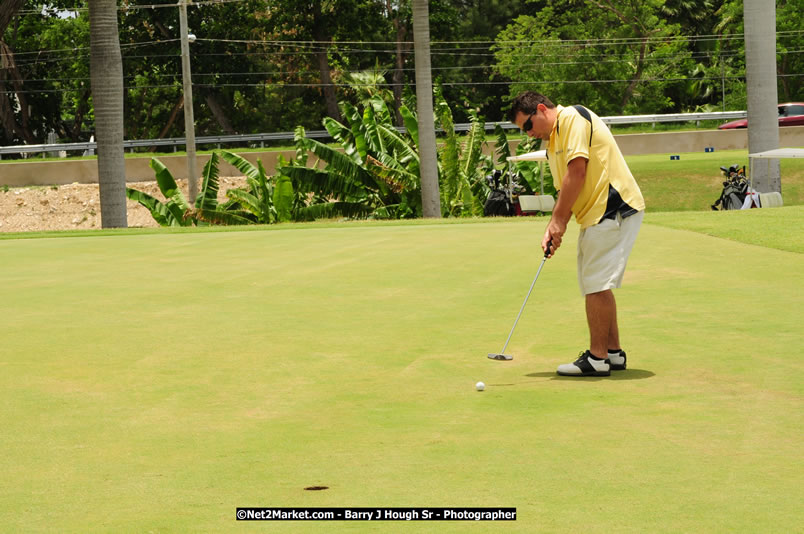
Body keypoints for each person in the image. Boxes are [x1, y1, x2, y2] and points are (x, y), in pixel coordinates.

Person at [508, 91, 645, 377]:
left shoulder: (572, 118)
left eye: (528, 126)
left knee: (595, 283)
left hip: (613, 206)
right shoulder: (553, 142)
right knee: (596, 282)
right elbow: (566, 189)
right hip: (595, 213)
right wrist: (556, 227)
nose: (529, 133)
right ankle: (612, 352)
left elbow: (578, 172)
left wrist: (558, 221)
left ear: (542, 109)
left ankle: (597, 359)